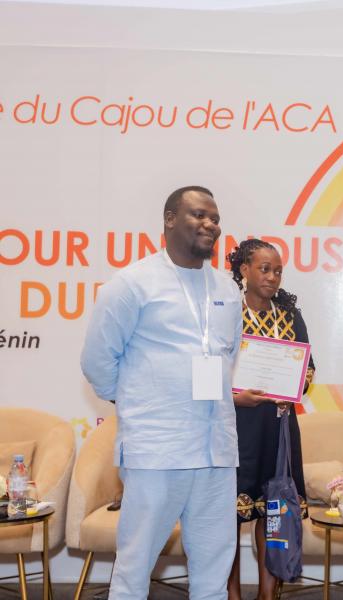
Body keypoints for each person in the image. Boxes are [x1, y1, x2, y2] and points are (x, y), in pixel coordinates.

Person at [81, 186, 243, 600]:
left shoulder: (227, 288)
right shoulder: (132, 284)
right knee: (134, 569)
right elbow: (98, 361)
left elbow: (226, 356)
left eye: (215, 218)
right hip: (157, 449)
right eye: (198, 215)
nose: (210, 224)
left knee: (214, 571)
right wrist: (138, 401)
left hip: (216, 451)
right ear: (170, 219)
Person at [225, 239, 316, 600]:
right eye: (264, 269)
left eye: (277, 270)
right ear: (244, 270)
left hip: (278, 428)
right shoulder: (226, 312)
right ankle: (231, 593)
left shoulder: (289, 315)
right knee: (229, 518)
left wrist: (292, 387)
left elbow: (308, 368)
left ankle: (268, 594)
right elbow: (209, 367)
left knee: (272, 512)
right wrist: (235, 398)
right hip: (235, 427)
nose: (272, 277)